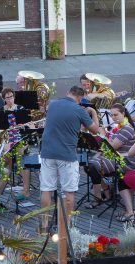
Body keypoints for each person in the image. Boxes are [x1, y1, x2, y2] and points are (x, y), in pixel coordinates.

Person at [39, 86, 99, 233]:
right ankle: (65, 226)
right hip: (66, 155)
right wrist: (93, 113)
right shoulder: (79, 110)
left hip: (47, 152)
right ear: (80, 98)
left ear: (68, 93)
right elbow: (95, 130)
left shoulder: (53, 104)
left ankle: (44, 224)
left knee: (46, 189)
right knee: (69, 191)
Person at [85, 103, 135, 209]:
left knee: (92, 166)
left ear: (123, 114)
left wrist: (103, 135)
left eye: (116, 115)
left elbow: (112, 146)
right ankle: (106, 192)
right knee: (88, 166)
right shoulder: (118, 127)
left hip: (126, 161)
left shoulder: (127, 128)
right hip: (115, 157)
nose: (113, 117)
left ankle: (99, 197)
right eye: (112, 115)